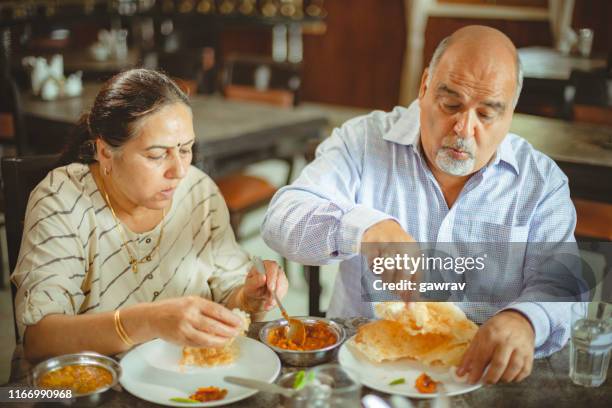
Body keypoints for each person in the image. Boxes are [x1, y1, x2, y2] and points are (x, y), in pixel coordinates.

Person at [262, 26, 583, 384]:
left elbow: (561, 282)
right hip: (365, 370)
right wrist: (364, 229)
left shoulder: (539, 181)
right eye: (451, 105)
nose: (464, 128)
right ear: (425, 85)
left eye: (487, 114)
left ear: (510, 112)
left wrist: (525, 320)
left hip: (480, 376)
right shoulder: (363, 141)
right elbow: (281, 219)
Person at [12, 68, 288, 362]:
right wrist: (149, 321)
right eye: (157, 155)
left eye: (186, 149)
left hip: (192, 379)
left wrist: (249, 296)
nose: (179, 171)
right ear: (105, 152)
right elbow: (40, 339)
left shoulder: (197, 190)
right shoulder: (63, 199)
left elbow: (229, 295)